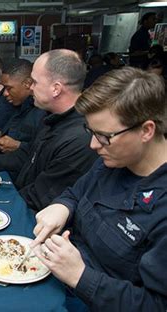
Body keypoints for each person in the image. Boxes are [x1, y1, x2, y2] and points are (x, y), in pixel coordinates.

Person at [30, 67, 167, 311]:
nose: (94, 145)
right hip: (58, 277)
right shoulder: (114, 160)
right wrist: (62, 207)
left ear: (147, 130)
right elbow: (76, 192)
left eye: (104, 136)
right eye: (91, 132)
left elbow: (155, 305)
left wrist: (80, 276)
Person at [0, 49, 98, 211]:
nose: (30, 88)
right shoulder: (51, 116)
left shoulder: (79, 138)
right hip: (23, 196)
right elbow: (32, 156)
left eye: (34, 82)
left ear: (56, 89)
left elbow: (42, 196)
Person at [0, 59, 45, 153]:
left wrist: (18, 146)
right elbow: (14, 135)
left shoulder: (42, 111)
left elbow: (42, 152)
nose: (5, 93)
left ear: (27, 83)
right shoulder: (19, 104)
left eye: (9, 88)